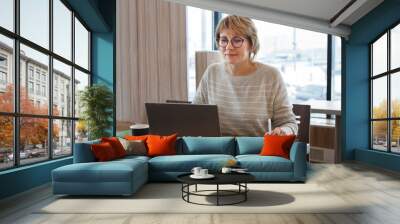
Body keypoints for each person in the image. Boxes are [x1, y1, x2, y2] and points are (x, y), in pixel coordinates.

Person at [193, 15, 298, 137]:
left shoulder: (270, 76)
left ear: (251, 44)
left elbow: (289, 123)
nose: (228, 47)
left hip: (254, 152)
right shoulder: (212, 72)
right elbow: (194, 116)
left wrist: (283, 131)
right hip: (216, 150)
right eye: (224, 40)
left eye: (237, 40)